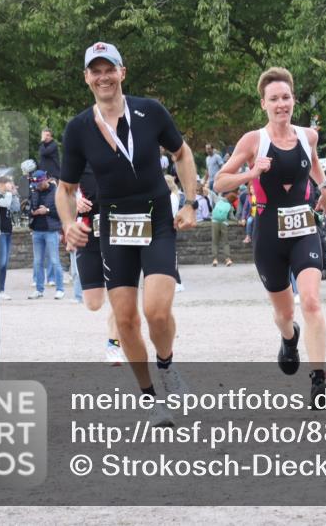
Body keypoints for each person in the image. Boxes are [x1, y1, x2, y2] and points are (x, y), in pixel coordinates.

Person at [58, 42, 199, 427]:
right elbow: (65, 188)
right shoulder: (78, 128)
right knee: (125, 321)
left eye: (110, 69)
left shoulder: (149, 111)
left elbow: (182, 154)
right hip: (113, 228)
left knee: (156, 310)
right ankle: (151, 397)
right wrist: (69, 223)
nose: (103, 76)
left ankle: (167, 367)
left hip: (156, 220)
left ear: (123, 71)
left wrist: (190, 201)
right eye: (95, 70)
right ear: (87, 78)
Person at [213, 67, 326, 409]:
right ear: (263, 103)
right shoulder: (254, 141)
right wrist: (252, 172)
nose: (281, 104)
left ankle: (319, 381)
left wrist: (324, 188)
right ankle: (289, 336)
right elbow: (220, 182)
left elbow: (313, 165)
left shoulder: (308, 135)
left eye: (286, 98)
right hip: (268, 236)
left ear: (293, 99)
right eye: (274, 99)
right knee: (284, 313)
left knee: (311, 301)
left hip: (304, 230)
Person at [71, 164, 125, 364]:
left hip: (118, 230)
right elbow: (63, 192)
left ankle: (114, 343)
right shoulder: (79, 158)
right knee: (93, 303)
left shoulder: (122, 154)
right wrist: (74, 201)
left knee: (120, 294)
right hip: (88, 232)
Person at [27, 170, 64, 300]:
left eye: (40, 183)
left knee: (54, 261)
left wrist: (47, 211)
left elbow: (60, 212)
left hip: (51, 230)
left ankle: (60, 289)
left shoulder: (56, 192)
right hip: (37, 230)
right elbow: (29, 210)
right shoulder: (34, 192)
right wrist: (33, 212)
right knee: (37, 262)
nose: (38, 186)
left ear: (46, 179)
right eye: (36, 183)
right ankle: (39, 289)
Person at [210, 190, 236, 267]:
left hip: (214, 222)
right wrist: (238, 220)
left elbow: (212, 194)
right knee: (225, 242)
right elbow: (232, 217)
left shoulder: (219, 200)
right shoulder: (230, 206)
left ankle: (214, 260)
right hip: (224, 223)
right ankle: (227, 259)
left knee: (215, 242)